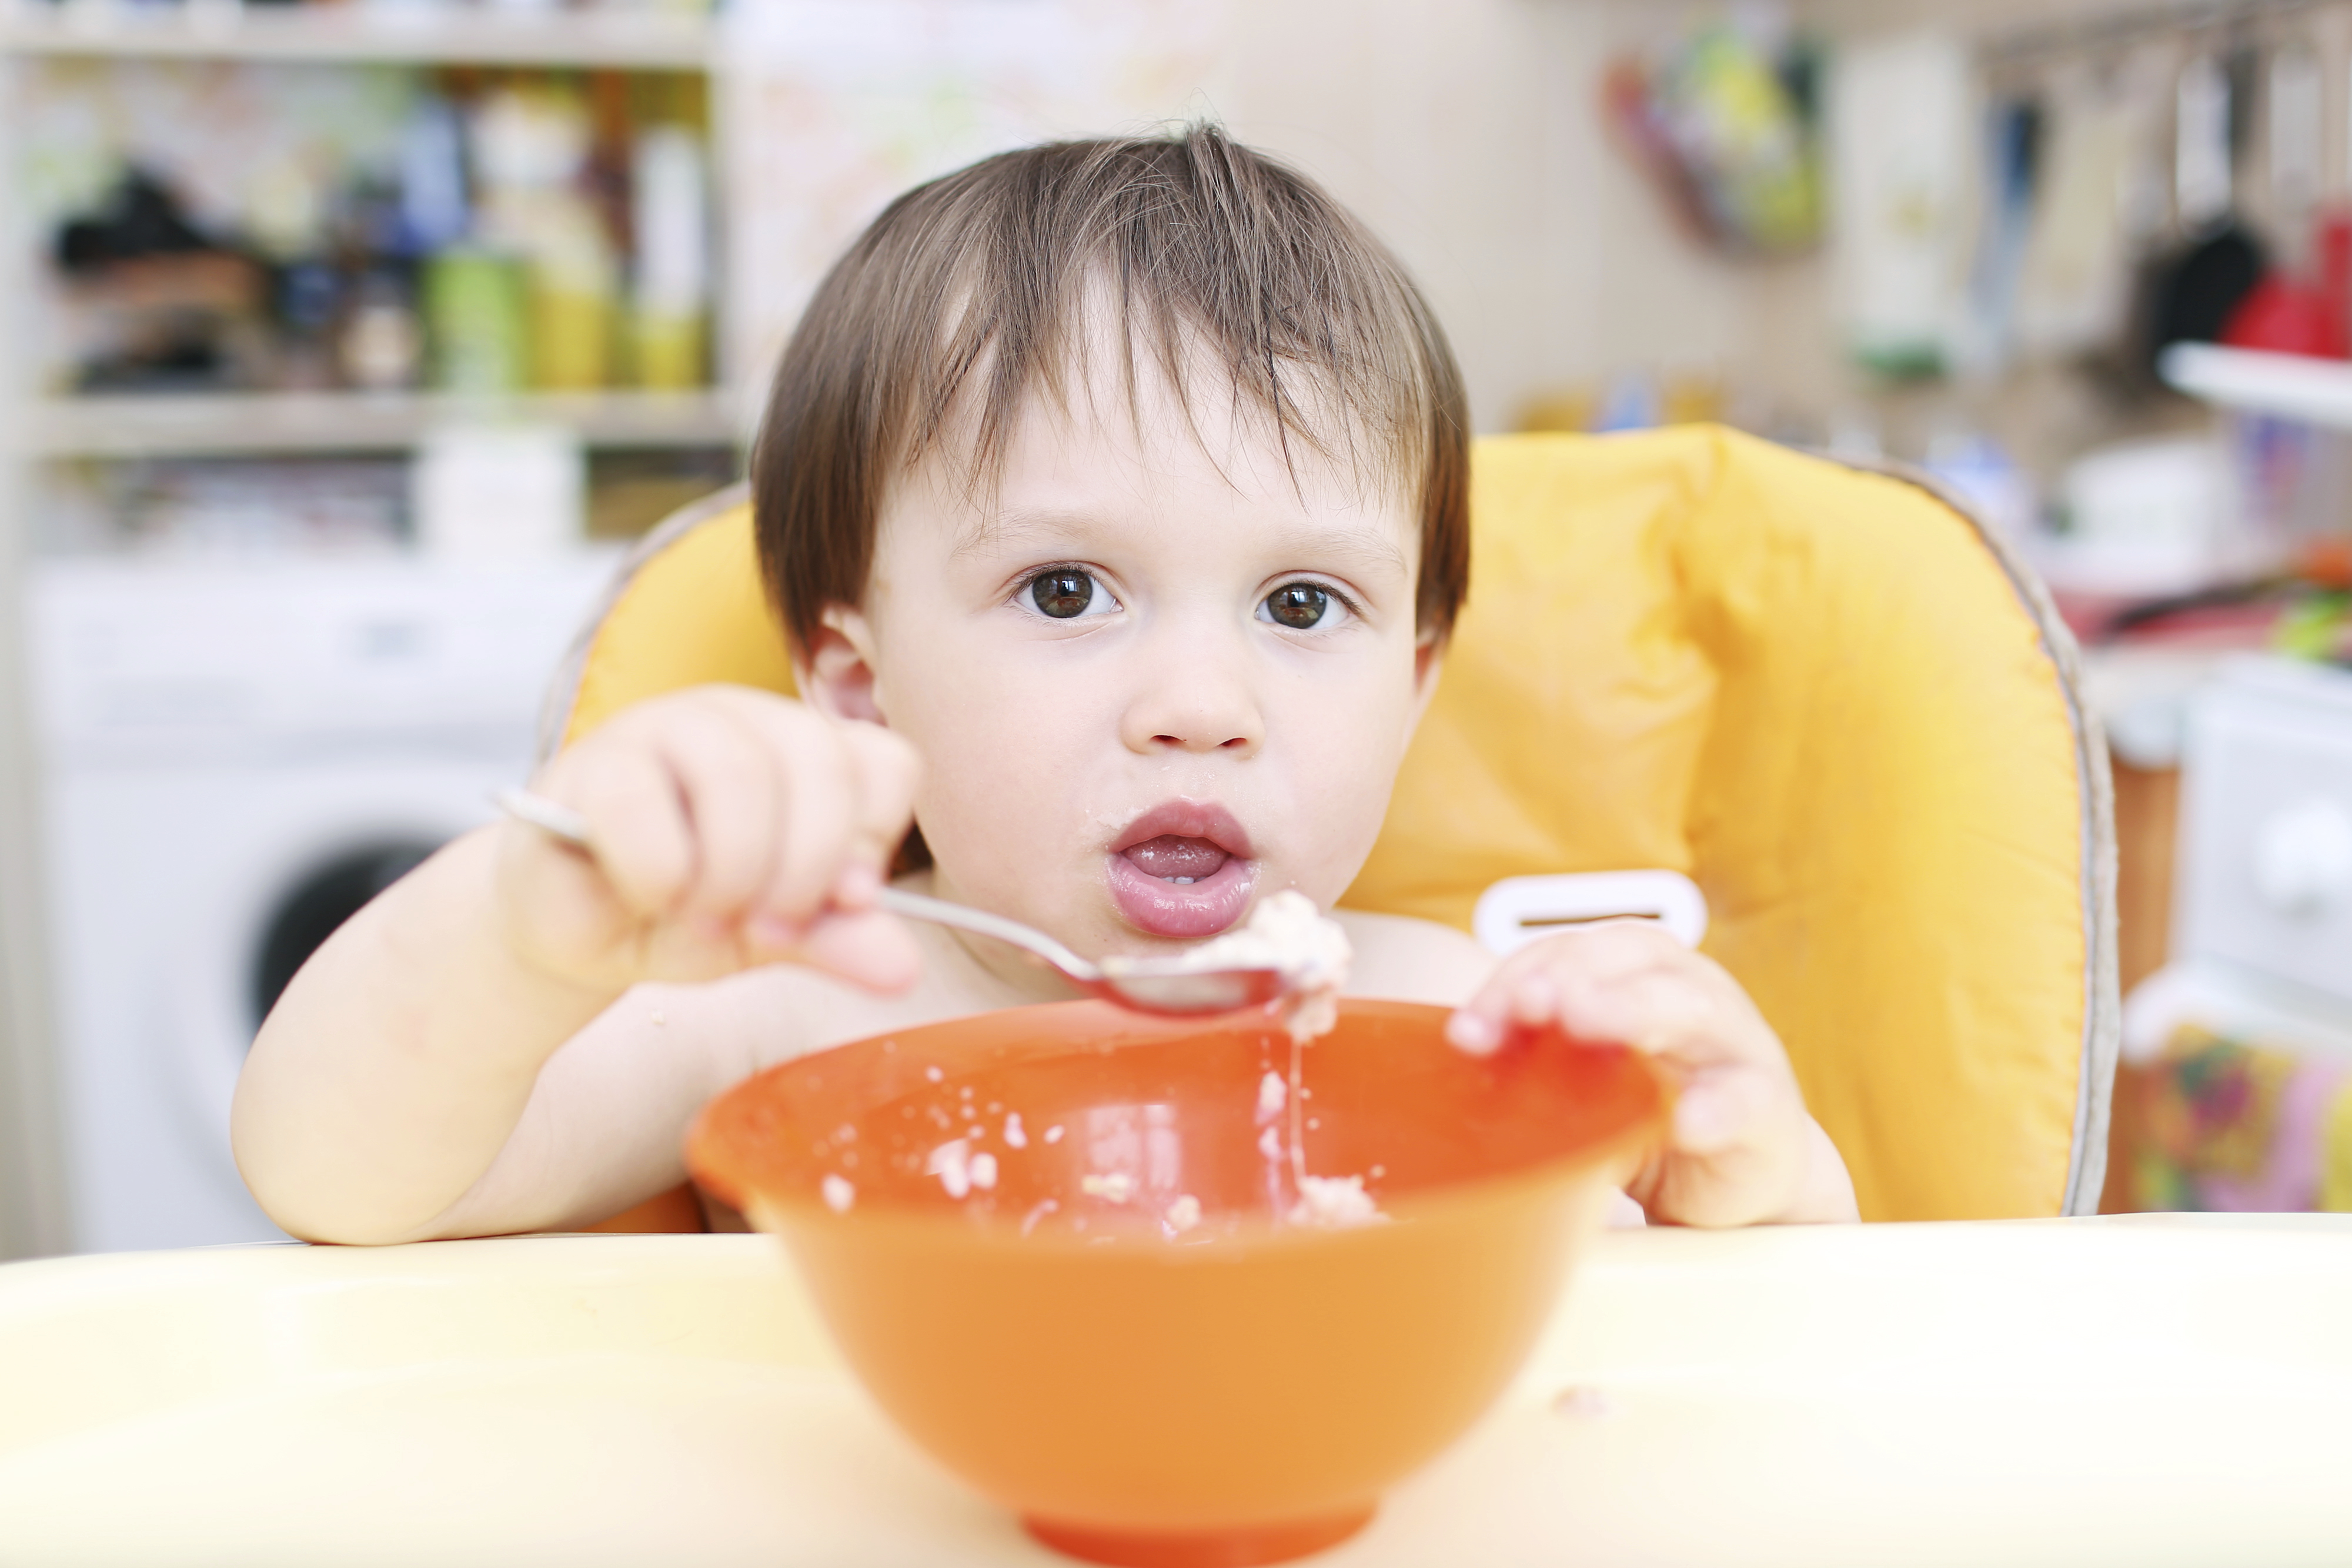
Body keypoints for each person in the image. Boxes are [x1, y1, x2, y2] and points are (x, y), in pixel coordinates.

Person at [233, 125, 1857, 1244]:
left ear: (1416, 679)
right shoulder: (776, 1017)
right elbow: (343, 1180)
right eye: (1066, 589)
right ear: (859, 691)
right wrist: (528, 924)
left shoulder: (1470, 1023)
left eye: (1304, 601)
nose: (1202, 702)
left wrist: (1757, 1177)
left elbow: (1799, 1326)